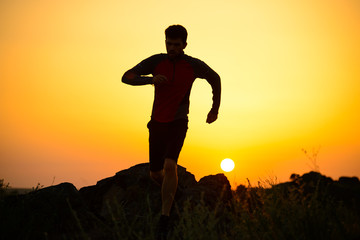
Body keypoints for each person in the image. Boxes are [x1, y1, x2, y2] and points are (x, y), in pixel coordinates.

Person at [122, 25, 221, 239]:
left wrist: (214, 109)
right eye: (169, 43)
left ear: (184, 45)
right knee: (155, 173)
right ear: (165, 42)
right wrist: (150, 79)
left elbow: (216, 79)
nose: (172, 47)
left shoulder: (193, 65)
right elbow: (126, 76)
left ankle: (164, 218)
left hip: (178, 122)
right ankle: (173, 194)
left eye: (177, 44)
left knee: (170, 165)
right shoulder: (156, 61)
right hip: (157, 123)